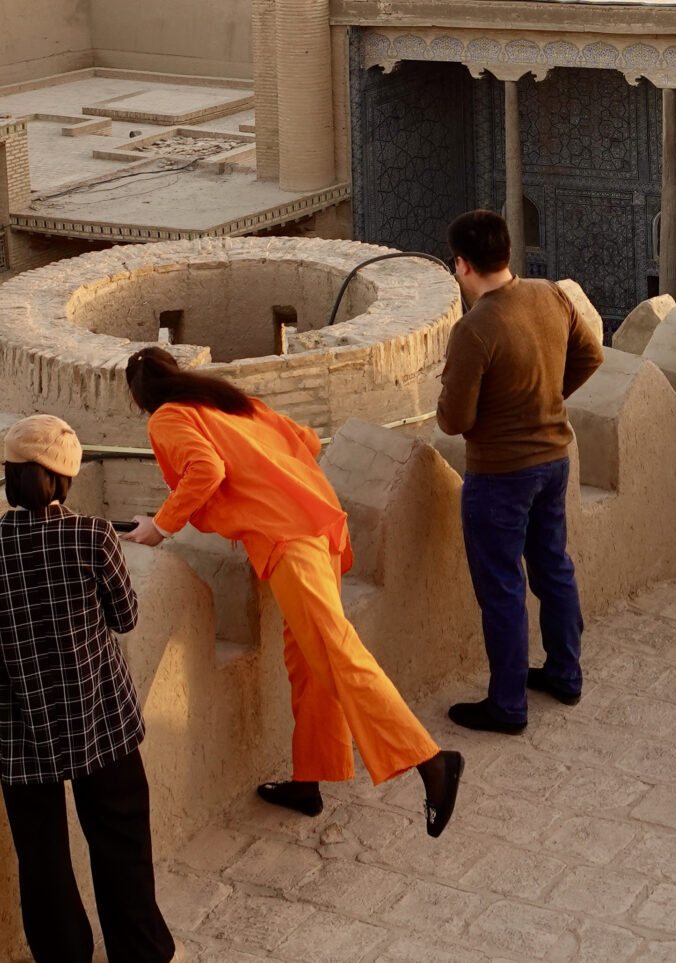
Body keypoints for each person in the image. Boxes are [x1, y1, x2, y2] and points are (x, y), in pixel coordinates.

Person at [121, 354, 465, 835]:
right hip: (318, 524)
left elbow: (204, 468)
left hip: (287, 540)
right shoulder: (233, 403)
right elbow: (302, 439)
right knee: (306, 658)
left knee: (333, 651)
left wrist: (160, 526)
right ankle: (310, 778)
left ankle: (430, 760)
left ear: (139, 399)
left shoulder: (169, 417)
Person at [0, 414, 174, 963]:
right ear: (64, 478)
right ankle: (140, 952)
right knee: (122, 843)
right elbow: (125, 616)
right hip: (100, 717)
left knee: (41, 857)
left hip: (22, 728)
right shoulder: (92, 536)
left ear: (11, 477)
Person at [434, 207, 603, 733]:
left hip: (500, 475)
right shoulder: (550, 295)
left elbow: (454, 420)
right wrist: (547, 401)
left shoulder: (475, 328)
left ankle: (507, 705)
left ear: (461, 265)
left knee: (502, 587)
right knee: (553, 568)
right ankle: (564, 673)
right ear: (507, 252)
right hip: (553, 460)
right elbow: (591, 355)